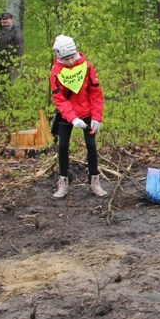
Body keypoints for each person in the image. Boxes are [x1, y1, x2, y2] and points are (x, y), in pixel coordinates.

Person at [50, 34, 107, 199]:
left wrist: (97, 117)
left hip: (88, 112)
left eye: (71, 57)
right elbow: (59, 99)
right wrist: (73, 118)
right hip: (66, 115)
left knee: (91, 146)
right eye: (65, 58)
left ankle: (94, 181)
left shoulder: (87, 67)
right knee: (62, 146)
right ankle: (63, 182)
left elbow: (95, 93)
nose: (69, 61)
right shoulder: (56, 72)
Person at [0, 12, 24, 80]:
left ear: (11, 20)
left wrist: (17, 61)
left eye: (6, 19)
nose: (4, 21)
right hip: (1, 63)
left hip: (12, 63)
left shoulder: (16, 30)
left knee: (13, 83)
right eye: (3, 19)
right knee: (2, 83)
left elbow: (20, 45)